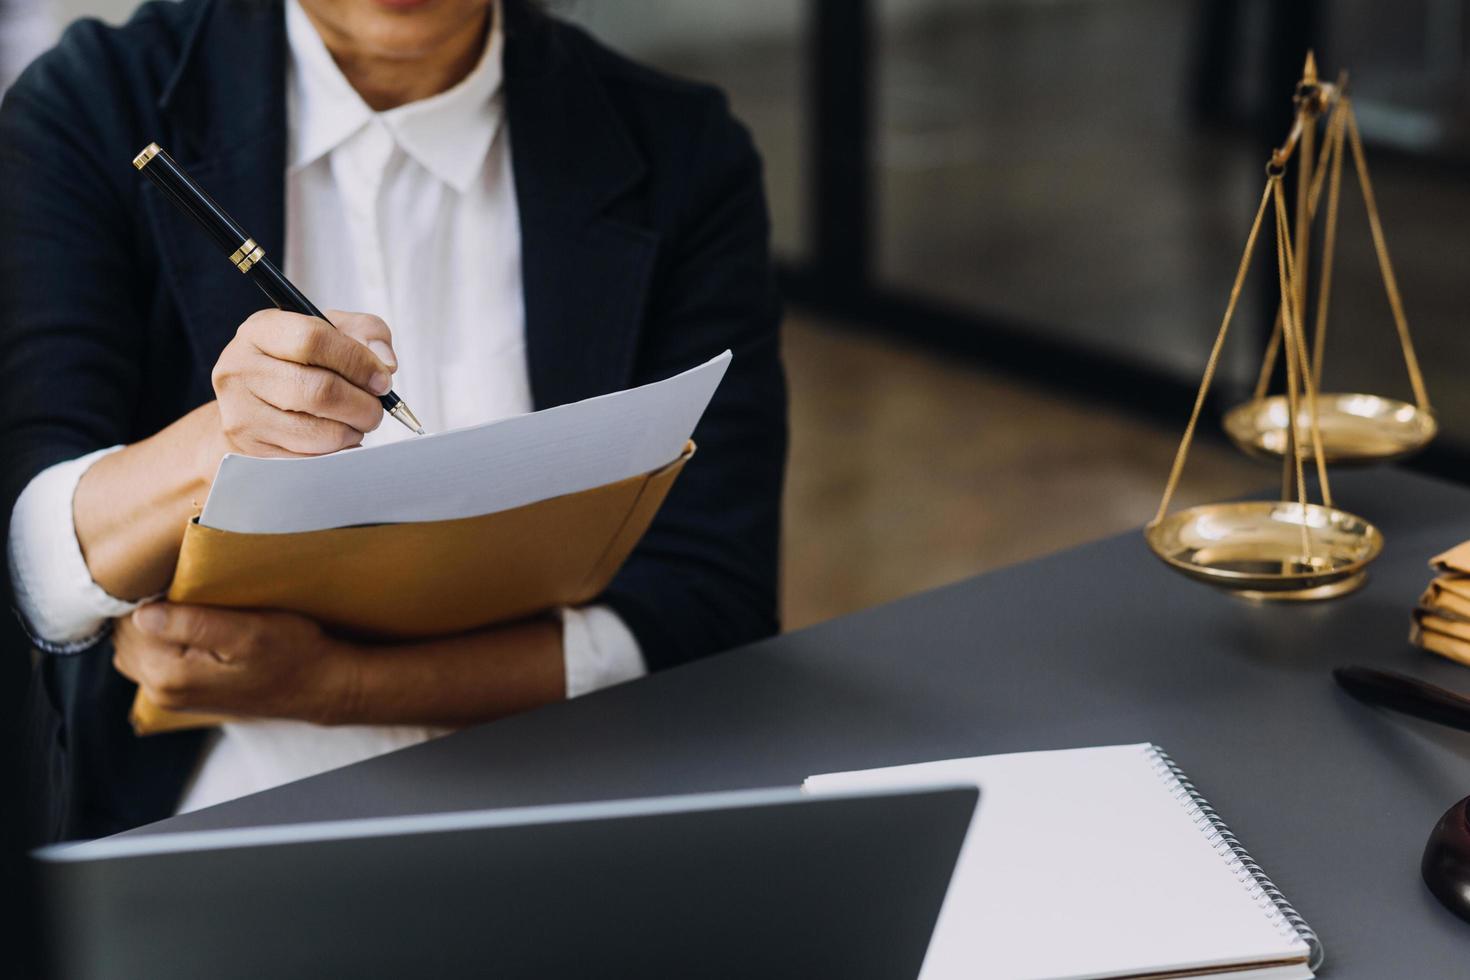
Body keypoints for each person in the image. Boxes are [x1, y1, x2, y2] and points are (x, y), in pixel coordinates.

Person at [0, 0, 787, 840]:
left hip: (574, 796)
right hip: (203, 823)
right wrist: (218, 446)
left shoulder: (681, 150)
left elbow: (714, 602)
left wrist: (341, 688)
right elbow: (35, 572)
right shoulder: (95, 101)